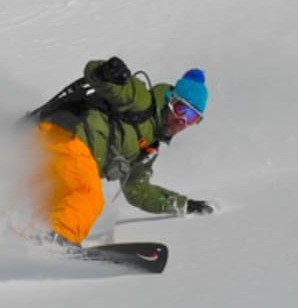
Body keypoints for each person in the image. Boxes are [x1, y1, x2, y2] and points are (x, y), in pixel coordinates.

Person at [25, 56, 214, 246]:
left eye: (192, 118)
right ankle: (58, 241)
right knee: (88, 195)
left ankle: (29, 241)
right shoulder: (141, 99)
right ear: (170, 100)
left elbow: (137, 191)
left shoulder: (149, 148)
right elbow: (96, 74)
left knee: (52, 203)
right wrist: (107, 72)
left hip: (50, 147)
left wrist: (183, 204)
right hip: (68, 136)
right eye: (183, 110)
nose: (182, 122)